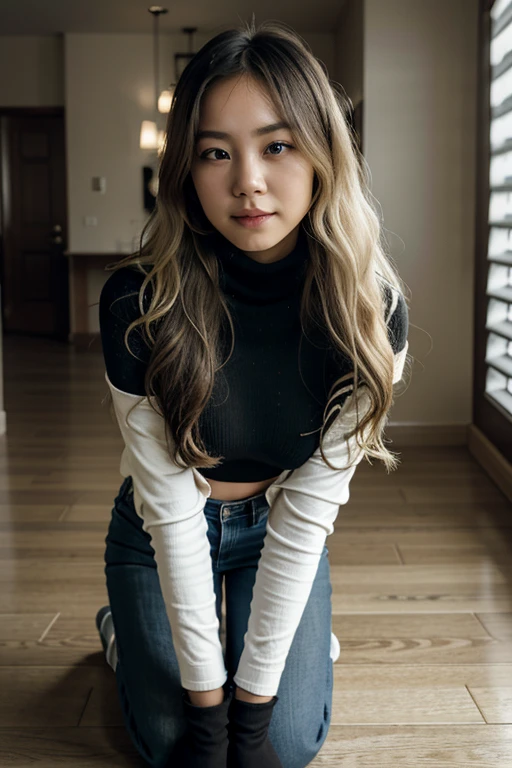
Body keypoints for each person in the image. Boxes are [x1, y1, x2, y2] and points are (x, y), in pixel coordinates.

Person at [96, 17, 410, 768]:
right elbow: (170, 515)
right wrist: (211, 719)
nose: (248, 182)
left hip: (280, 527)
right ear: (185, 169)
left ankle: (280, 637)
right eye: (215, 152)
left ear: (322, 153)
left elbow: (307, 515)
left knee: (287, 744)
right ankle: (123, 631)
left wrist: (255, 709)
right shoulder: (135, 304)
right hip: (160, 532)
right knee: (174, 743)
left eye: (277, 145)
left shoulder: (371, 313)